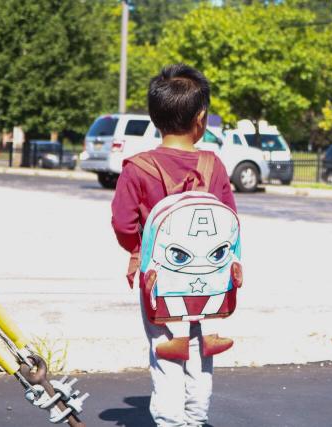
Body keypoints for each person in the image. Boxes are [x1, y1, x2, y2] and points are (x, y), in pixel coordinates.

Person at [111, 63, 238, 427]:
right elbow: (229, 222)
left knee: (165, 350)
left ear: (155, 118)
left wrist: (137, 249)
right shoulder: (213, 166)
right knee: (200, 349)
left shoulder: (138, 167)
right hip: (210, 282)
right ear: (201, 119)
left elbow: (123, 222)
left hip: (160, 282)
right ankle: (195, 419)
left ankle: (169, 422)